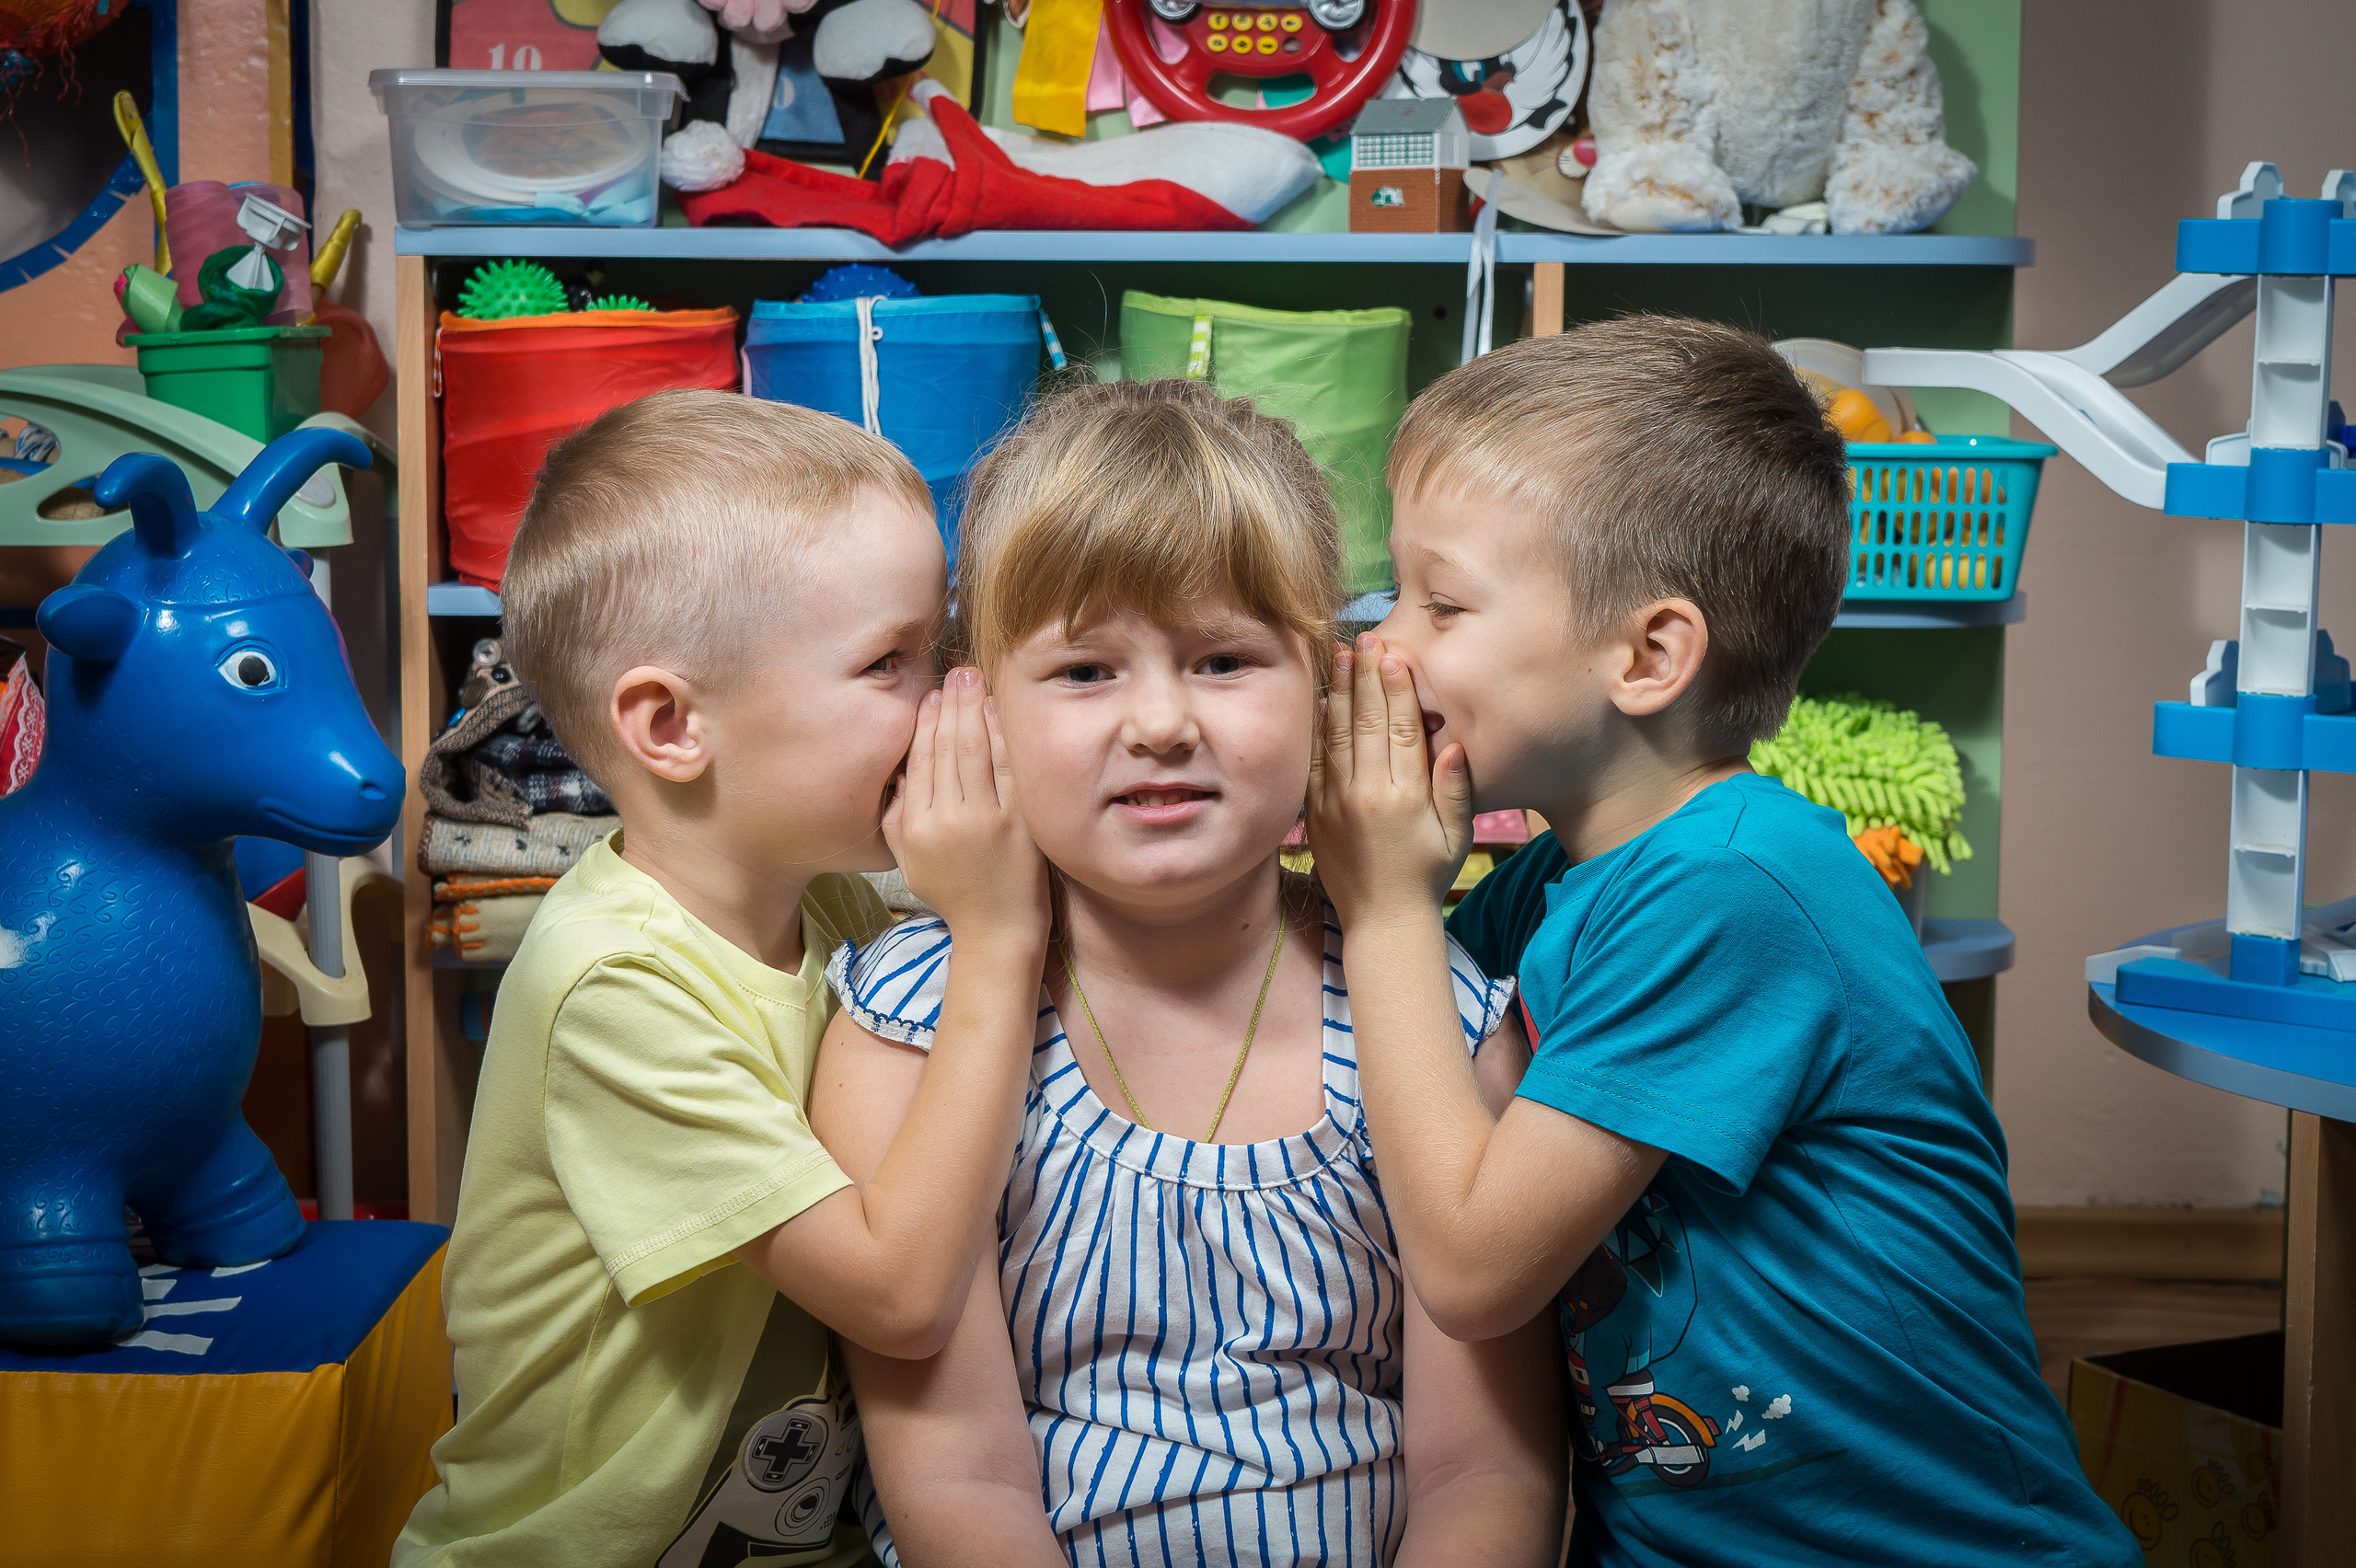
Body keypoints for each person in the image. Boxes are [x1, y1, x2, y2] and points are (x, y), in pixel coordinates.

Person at [1306, 318, 2140, 1564]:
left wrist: (1382, 905)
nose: (1388, 644)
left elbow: (1476, 1268)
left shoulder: (1733, 886)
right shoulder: (1551, 883)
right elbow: (1349, 993)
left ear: (1647, 655)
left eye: (1442, 602)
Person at [811, 378, 1567, 1568]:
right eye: (1083, 672)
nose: (1161, 723)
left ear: (1326, 689)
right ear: (978, 708)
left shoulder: (1438, 1021)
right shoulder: (902, 1030)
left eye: (1222, 660)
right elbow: (958, 1479)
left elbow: (1488, 1474)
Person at [395, 391, 1049, 1568]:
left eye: (938, 650)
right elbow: (898, 1294)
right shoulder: (615, 988)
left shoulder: (829, 901)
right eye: (889, 663)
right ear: (670, 726)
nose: (952, 700)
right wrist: (997, 940)